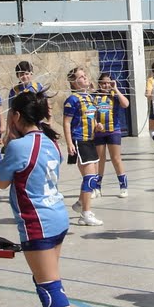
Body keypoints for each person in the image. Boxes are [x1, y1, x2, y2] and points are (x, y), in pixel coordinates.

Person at [0, 90, 81, 307]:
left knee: (49, 286)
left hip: (38, 222)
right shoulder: (51, 141)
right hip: (57, 215)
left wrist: (6, 140)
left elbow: (2, 182)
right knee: (47, 278)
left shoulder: (19, 146)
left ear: (17, 116)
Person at [63, 67, 104, 227]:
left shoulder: (89, 98)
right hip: (79, 141)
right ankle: (85, 214)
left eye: (85, 75)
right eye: (81, 77)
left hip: (90, 139)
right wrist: (69, 143)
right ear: (74, 82)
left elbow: (90, 118)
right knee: (89, 178)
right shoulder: (72, 100)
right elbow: (66, 123)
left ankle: (81, 203)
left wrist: (97, 125)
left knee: (93, 178)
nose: (85, 78)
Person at [93, 73, 130, 199]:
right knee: (100, 159)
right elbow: (90, 113)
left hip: (114, 131)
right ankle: (97, 187)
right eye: (103, 83)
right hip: (99, 132)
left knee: (116, 159)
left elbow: (126, 104)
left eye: (108, 82)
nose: (106, 85)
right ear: (99, 84)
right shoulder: (94, 96)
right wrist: (95, 124)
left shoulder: (114, 95)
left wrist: (116, 89)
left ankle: (123, 187)